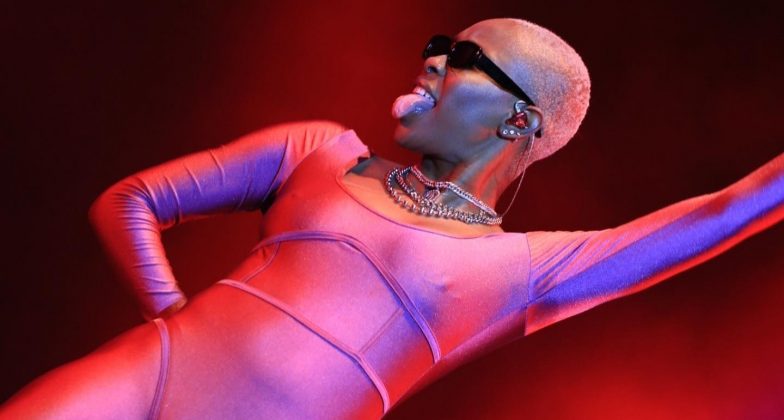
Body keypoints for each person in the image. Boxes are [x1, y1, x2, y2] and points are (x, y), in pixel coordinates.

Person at [2, 17, 782, 419]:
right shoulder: (317, 152)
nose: (433, 60)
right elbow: (128, 199)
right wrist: (174, 327)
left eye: (464, 59)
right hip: (136, 376)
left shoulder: (519, 272)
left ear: (519, 119)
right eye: (441, 45)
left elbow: (729, 209)